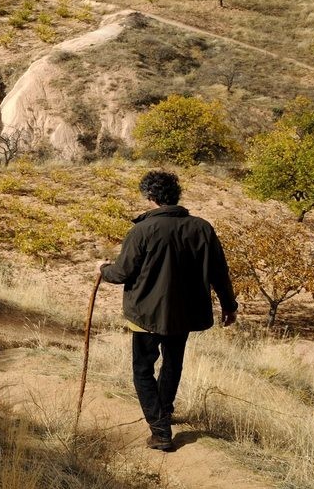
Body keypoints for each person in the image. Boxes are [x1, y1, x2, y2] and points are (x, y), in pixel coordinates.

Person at [98, 169, 237, 452]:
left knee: (142, 368)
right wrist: (228, 305)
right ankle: (163, 413)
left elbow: (122, 273)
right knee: (173, 364)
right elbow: (219, 273)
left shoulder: (142, 230)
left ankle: (160, 429)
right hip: (183, 314)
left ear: (150, 197)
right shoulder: (202, 228)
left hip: (145, 314)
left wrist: (102, 270)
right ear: (176, 196)